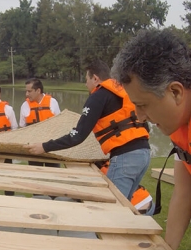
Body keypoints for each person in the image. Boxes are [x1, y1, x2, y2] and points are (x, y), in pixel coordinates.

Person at [111, 28, 191, 250]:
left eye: (142, 105)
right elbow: (185, 183)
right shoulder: (179, 119)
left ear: (175, 91)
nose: (140, 117)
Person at [27, 60, 151, 201]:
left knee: (111, 206)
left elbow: (77, 136)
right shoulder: (124, 91)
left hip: (125, 157)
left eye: (86, 80)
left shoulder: (98, 96)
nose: (86, 84)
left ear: (95, 78)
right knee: (124, 205)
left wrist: (44, 147)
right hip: (144, 153)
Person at [20, 78, 61, 168]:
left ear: (38, 90)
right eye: (26, 91)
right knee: (34, 173)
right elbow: (22, 127)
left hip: (51, 146)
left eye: (29, 91)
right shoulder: (24, 105)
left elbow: (59, 124)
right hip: (33, 147)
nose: (27, 94)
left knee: (54, 172)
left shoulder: (52, 102)